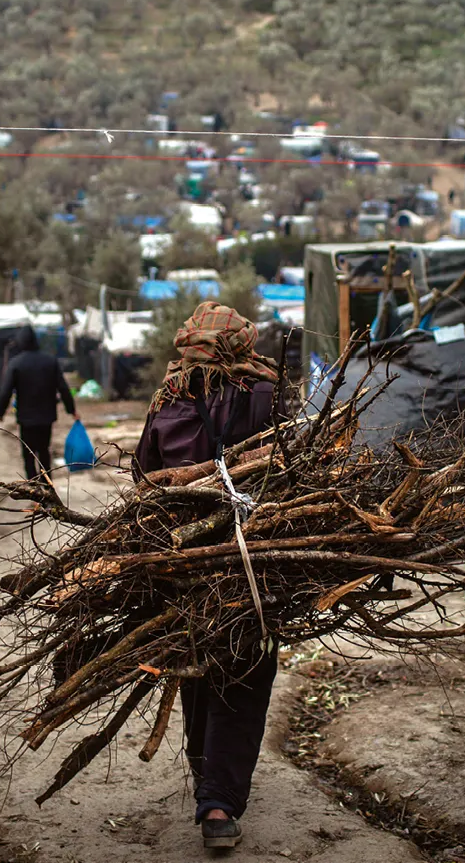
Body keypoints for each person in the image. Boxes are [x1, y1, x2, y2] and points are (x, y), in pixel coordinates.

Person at [132, 301, 281, 850]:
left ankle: (209, 788)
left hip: (183, 562)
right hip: (257, 561)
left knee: (196, 665)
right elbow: (296, 471)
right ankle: (218, 802)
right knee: (246, 669)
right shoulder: (265, 393)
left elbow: (144, 478)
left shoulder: (168, 398)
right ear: (243, 345)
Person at [0, 325, 77, 479]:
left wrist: (0, 412)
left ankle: (33, 487)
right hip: (47, 416)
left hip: (26, 418)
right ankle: (47, 486)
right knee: (44, 451)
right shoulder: (50, 361)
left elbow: (6, 391)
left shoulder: (16, 363)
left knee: (28, 454)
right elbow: (63, 388)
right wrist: (71, 410)